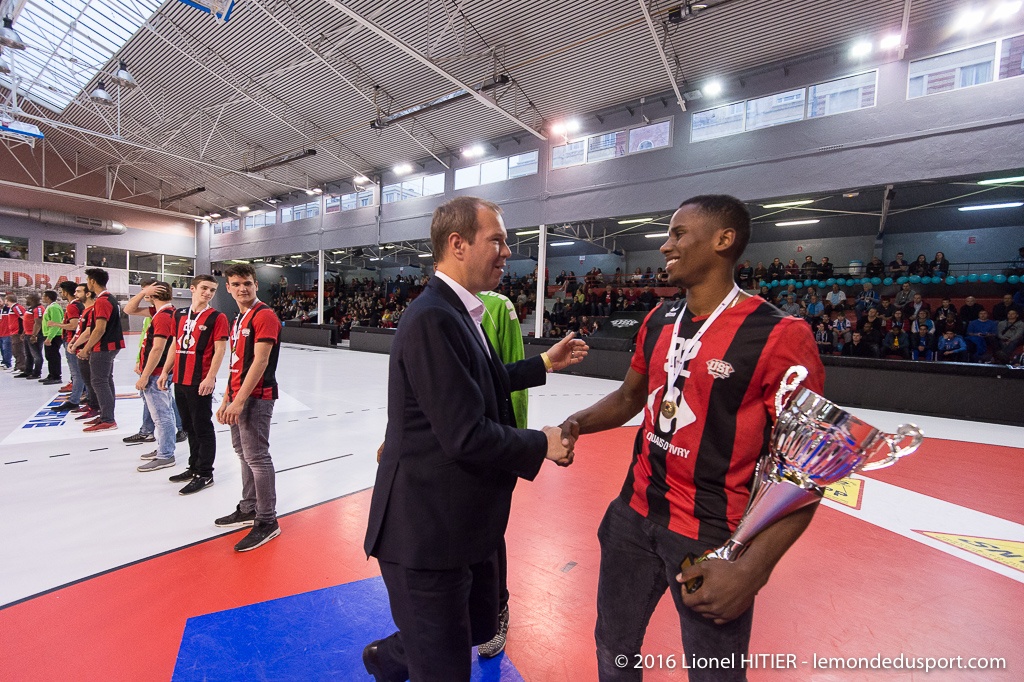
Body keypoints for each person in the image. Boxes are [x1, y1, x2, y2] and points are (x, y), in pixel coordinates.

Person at [558, 195, 824, 682]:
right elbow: (628, 398)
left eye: (679, 234)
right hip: (631, 515)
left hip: (711, 536)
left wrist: (752, 569)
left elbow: (807, 470)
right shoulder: (658, 320)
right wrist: (576, 423)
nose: (665, 246)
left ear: (724, 240)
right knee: (613, 650)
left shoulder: (781, 335)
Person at [361, 197, 586, 682]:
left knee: (456, 631)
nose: (507, 252)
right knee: (442, 664)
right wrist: (540, 443)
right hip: (425, 533)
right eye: (498, 241)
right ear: (458, 244)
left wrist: (543, 364)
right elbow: (464, 433)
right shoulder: (434, 318)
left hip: (456, 523)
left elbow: (478, 380)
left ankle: (392, 656)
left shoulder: (462, 311)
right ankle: (397, 656)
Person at [213, 263, 284, 552]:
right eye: (237, 284)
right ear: (228, 288)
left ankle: (267, 521)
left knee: (257, 456)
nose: (243, 288)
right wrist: (227, 398)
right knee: (243, 453)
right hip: (239, 395)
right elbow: (236, 364)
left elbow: (260, 361)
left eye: (248, 283)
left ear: (256, 284)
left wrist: (240, 400)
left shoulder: (264, 315)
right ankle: (249, 506)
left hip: (257, 397)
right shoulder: (239, 318)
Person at [475, 290, 527, 659]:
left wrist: (517, 445)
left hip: (490, 444)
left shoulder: (498, 306)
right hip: (450, 446)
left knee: (489, 533)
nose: (504, 253)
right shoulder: (436, 305)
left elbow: (514, 379)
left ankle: (497, 611)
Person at [159, 275, 230, 495]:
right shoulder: (179, 315)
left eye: (212, 290)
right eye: (204, 288)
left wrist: (210, 377)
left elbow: (220, 350)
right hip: (180, 379)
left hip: (200, 381)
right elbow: (174, 345)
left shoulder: (217, 317)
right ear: (192, 289)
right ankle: (193, 467)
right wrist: (165, 371)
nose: (208, 293)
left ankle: (205, 473)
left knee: (202, 427)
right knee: (188, 426)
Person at [124, 283, 178, 472]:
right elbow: (129, 309)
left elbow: (158, 348)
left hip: (156, 372)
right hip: (159, 371)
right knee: (164, 413)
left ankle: (165, 454)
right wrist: (142, 294)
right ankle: (164, 448)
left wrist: (145, 375)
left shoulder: (163, 316)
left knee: (162, 415)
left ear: (153, 294)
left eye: (147, 291)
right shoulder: (163, 311)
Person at [77, 268, 125, 432]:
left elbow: (99, 329)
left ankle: (108, 419)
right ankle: (106, 415)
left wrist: (86, 348)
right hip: (110, 345)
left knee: (99, 381)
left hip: (104, 346)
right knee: (105, 380)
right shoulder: (109, 299)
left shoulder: (103, 301)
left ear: (92, 281)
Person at [49, 282, 85, 411]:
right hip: (76, 341)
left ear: (65, 292)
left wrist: (56, 324)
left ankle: (74, 400)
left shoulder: (72, 306)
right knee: (80, 372)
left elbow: (74, 325)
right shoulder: (79, 305)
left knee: (76, 373)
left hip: (72, 341)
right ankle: (83, 393)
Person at [39, 290, 65, 385]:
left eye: (44, 296)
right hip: (49, 334)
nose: (42, 298)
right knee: (49, 356)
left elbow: (55, 323)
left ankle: (56, 376)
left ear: (48, 297)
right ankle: (51, 374)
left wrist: (50, 337)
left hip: (55, 335)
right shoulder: (49, 307)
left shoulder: (54, 308)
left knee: (53, 356)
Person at [19, 293, 44, 379]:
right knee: (28, 354)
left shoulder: (38, 309)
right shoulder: (30, 308)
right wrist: (24, 332)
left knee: (36, 355)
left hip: (34, 335)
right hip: (27, 334)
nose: (26, 300)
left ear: (33, 299)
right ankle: (28, 371)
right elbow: (27, 322)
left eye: (28, 299)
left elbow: (38, 323)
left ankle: (37, 372)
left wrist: (34, 335)